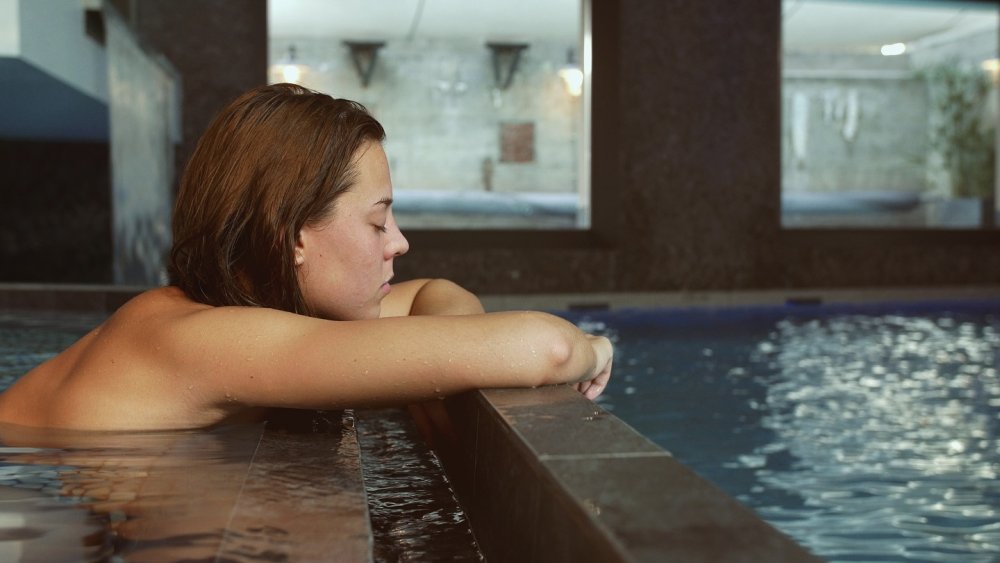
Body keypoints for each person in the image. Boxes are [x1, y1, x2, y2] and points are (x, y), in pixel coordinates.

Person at [0, 83, 613, 431]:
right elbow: (550, 348)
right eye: (378, 221)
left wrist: (443, 350)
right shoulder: (205, 341)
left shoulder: (233, 306)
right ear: (294, 234)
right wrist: (599, 347)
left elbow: (433, 292)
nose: (398, 243)